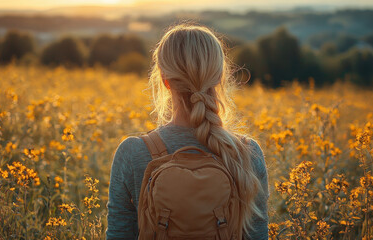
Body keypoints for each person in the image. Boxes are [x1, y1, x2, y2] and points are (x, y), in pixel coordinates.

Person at [106, 23, 269, 240]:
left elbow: (119, 235)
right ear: (219, 76)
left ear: (164, 80)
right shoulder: (247, 153)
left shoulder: (132, 152)